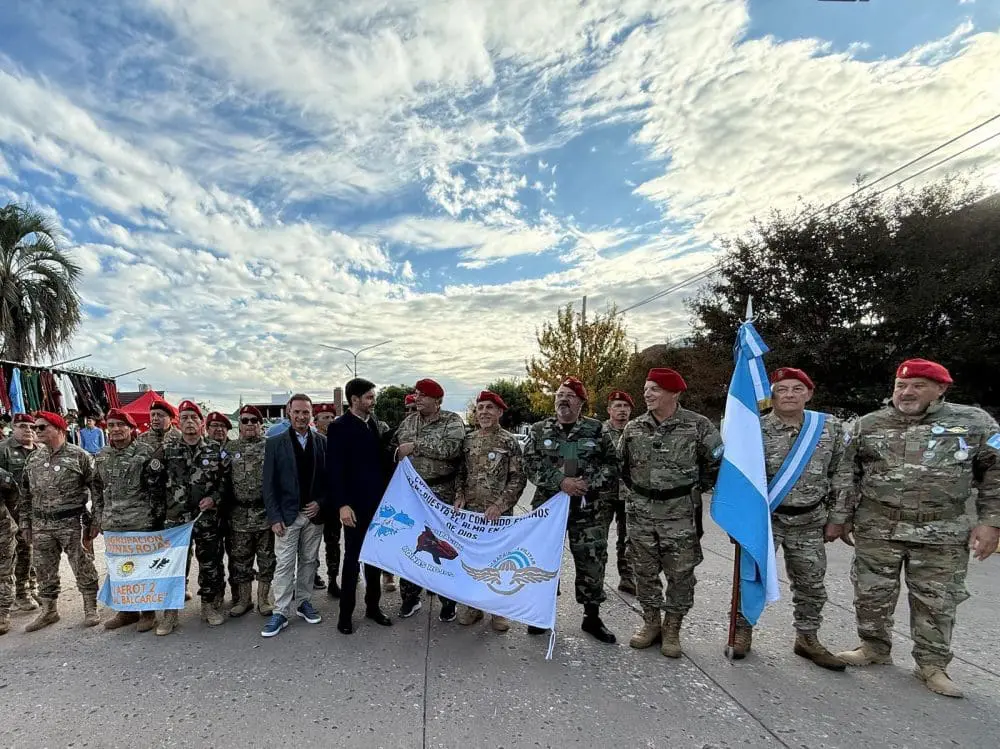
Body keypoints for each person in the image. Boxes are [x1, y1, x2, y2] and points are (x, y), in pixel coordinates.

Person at [830, 359, 1000, 698]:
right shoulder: (869, 425)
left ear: (941, 389)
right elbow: (848, 474)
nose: (907, 392)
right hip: (878, 527)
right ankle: (873, 647)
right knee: (871, 593)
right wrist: (841, 516)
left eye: (918, 386)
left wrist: (991, 523)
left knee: (937, 601)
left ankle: (932, 665)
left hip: (942, 530)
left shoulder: (975, 423)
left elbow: (995, 475)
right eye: (901, 386)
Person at [730, 368, 847, 668]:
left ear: (809, 394)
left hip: (809, 521)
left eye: (797, 389)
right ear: (772, 396)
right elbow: (738, 477)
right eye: (782, 390)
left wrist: (838, 517)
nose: (789, 395)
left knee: (811, 584)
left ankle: (807, 637)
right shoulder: (754, 428)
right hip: (765, 522)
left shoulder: (829, 427)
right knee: (750, 579)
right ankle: (742, 631)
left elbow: (841, 474)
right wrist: (737, 520)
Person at [619, 369, 722, 657]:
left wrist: (691, 490)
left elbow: (715, 464)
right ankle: (651, 622)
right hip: (640, 513)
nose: (647, 394)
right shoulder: (634, 428)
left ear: (674, 393)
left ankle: (673, 627)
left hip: (679, 514)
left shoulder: (698, 426)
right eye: (646, 389)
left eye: (654, 389)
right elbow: (623, 466)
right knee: (643, 570)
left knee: (681, 573)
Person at [523, 377, 618, 643]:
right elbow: (529, 463)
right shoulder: (539, 430)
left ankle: (591, 617)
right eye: (559, 395)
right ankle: (541, 614)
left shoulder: (596, 430)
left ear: (581, 402)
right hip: (549, 508)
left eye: (570, 395)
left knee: (592, 561)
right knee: (543, 560)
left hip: (588, 509)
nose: (563, 399)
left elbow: (612, 464)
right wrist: (560, 481)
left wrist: (587, 484)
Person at [147, 400, 226, 635]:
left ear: (201, 423)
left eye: (194, 418)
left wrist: (214, 498)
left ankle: (208, 607)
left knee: (210, 563)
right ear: (178, 422)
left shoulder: (214, 449)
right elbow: (152, 480)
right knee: (173, 567)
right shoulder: (167, 449)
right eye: (184, 418)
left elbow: (226, 482)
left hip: (206, 518)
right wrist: (162, 511)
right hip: (175, 520)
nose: (189, 422)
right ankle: (170, 615)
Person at [389, 378, 465, 621]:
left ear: (437, 400)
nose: (417, 398)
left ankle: (448, 600)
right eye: (416, 394)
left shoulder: (451, 421)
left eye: (423, 395)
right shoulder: (408, 422)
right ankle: (410, 598)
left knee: (442, 545)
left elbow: (453, 449)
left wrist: (416, 446)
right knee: (412, 544)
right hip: (412, 494)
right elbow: (394, 447)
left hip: (441, 494)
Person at [21, 411, 101, 631]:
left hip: (72, 522)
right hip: (41, 524)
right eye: (35, 428)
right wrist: (25, 523)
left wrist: (96, 519)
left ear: (58, 429)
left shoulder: (79, 456)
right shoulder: (34, 458)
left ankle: (90, 607)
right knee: (43, 568)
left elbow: (96, 489)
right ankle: (49, 611)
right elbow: (25, 494)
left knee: (83, 565)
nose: (36, 431)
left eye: (42, 427)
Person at [454, 390, 527, 632]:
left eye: (489, 408)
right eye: (480, 407)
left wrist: (500, 505)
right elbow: (461, 473)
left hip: (498, 515)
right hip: (471, 514)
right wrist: (459, 495)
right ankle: (473, 606)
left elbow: (518, 478)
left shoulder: (508, 441)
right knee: (472, 560)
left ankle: (499, 610)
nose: (484, 412)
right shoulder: (469, 440)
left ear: (499, 412)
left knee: (499, 562)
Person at [327, 378, 394, 634]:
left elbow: (380, 460)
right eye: (369, 397)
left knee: (374, 558)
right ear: (354, 399)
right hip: (353, 508)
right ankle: (345, 615)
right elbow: (334, 470)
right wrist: (342, 505)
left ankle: (373, 607)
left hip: (376, 505)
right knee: (352, 560)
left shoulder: (373, 423)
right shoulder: (339, 427)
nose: (373, 401)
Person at [91, 409, 164, 633]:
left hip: (140, 522)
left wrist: (156, 519)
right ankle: (126, 612)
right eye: (111, 425)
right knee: (119, 570)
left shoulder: (145, 452)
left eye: (120, 425)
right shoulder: (102, 455)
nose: (115, 429)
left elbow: (157, 489)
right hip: (113, 523)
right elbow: (97, 488)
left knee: (143, 570)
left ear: (131, 428)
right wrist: (99, 516)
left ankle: (148, 613)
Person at [261, 394, 327, 637]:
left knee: (309, 561)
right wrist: (274, 517)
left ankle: (303, 602)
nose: (301, 416)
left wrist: (320, 503)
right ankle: (280, 611)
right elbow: (268, 484)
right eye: (297, 412)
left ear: (311, 414)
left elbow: (328, 479)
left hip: (313, 516)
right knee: (284, 564)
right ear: (288, 413)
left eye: (305, 412)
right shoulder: (275, 443)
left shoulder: (322, 442)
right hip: (286, 517)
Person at [224, 405, 275, 618]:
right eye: (245, 420)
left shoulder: (270, 446)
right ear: (240, 425)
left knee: (266, 559)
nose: (250, 424)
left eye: (254, 420)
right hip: (239, 515)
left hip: (265, 514)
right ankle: (244, 600)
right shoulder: (229, 448)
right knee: (241, 559)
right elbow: (221, 478)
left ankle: (264, 599)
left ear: (261, 424)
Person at [0, 413, 39, 611]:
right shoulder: (3, 449)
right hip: (10, 513)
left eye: (32, 427)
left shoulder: (40, 450)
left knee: (32, 552)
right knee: (14, 554)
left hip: (33, 512)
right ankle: (19, 594)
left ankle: (31, 588)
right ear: (13, 428)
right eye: (23, 426)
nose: (28, 430)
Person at [381, 394, 419, 595]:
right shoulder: (394, 433)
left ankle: (422, 580)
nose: (411, 412)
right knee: (393, 535)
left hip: (424, 496)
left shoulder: (431, 433)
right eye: (408, 409)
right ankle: (388, 574)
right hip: (396, 493)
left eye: (415, 408)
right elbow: (383, 457)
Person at [602, 389, 636, 595]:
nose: (622, 410)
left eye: (626, 406)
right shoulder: (599, 432)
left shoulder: (637, 431)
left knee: (628, 538)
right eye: (618, 406)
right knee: (599, 538)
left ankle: (627, 578)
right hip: (603, 494)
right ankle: (597, 580)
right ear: (609, 410)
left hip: (630, 495)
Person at [314, 402, 341, 596]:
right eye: (325, 417)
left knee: (333, 542)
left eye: (332, 417)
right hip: (314, 502)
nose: (330, 421)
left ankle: (333, 578)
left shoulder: (339, 441)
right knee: (310, 544)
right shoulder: (310, 442)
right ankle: (313, 574)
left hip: (332, 502)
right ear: (315, 421)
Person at [0, 467, 20, 635]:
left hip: (2, 531)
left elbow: (13, 495)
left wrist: (9, 514)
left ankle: (2, 614)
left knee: (3, 573)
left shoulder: (1, 476)